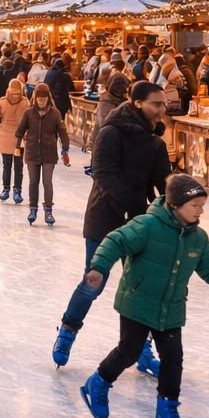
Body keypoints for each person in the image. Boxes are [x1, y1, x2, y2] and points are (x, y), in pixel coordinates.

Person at [77, 174, 209, 418]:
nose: (200, 211)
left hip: (171, 307)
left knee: (174, 359)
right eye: (195, 205)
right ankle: (97, 383)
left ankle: (167, 412)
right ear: (175, 205)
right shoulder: (147, 226)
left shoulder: (198, 238)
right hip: (138, 301)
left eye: (202, 205)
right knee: (129, 351)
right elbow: (115, 241)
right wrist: (98, 268)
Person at [52, 81, 170, 369]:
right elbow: (103, 175)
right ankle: (68, 329)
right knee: (94, 281)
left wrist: (176, 206)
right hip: (104, 217)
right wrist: (138, 208)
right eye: (157, 103)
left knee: (140, 289)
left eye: (164, 103)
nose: (162, 108)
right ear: (137, 102)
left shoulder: (156, 143)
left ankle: (140, 347)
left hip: (140, 223)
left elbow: (165, 185)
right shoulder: (111, 133)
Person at [16, 82, 71, 225]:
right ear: (35, 98)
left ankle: (48, 211)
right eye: (39, 99)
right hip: (32, 152)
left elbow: (62, 131)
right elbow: (20, 130)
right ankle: (33, 208)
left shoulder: (55, 113)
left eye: (44, 99)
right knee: (33, 182)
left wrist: (65, 147)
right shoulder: (28, 112)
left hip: (49, 153)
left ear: (48, 98)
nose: (41, 101)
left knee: (47, 182)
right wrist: (17, 147)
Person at [0, 77, 30, 204]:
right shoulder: (25, 102)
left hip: (5, 137)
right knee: (18, 167)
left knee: (6, 166)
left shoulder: (3, 101)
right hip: (19, 139)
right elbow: (29, 122)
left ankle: (6, 189)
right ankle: (17, 191)